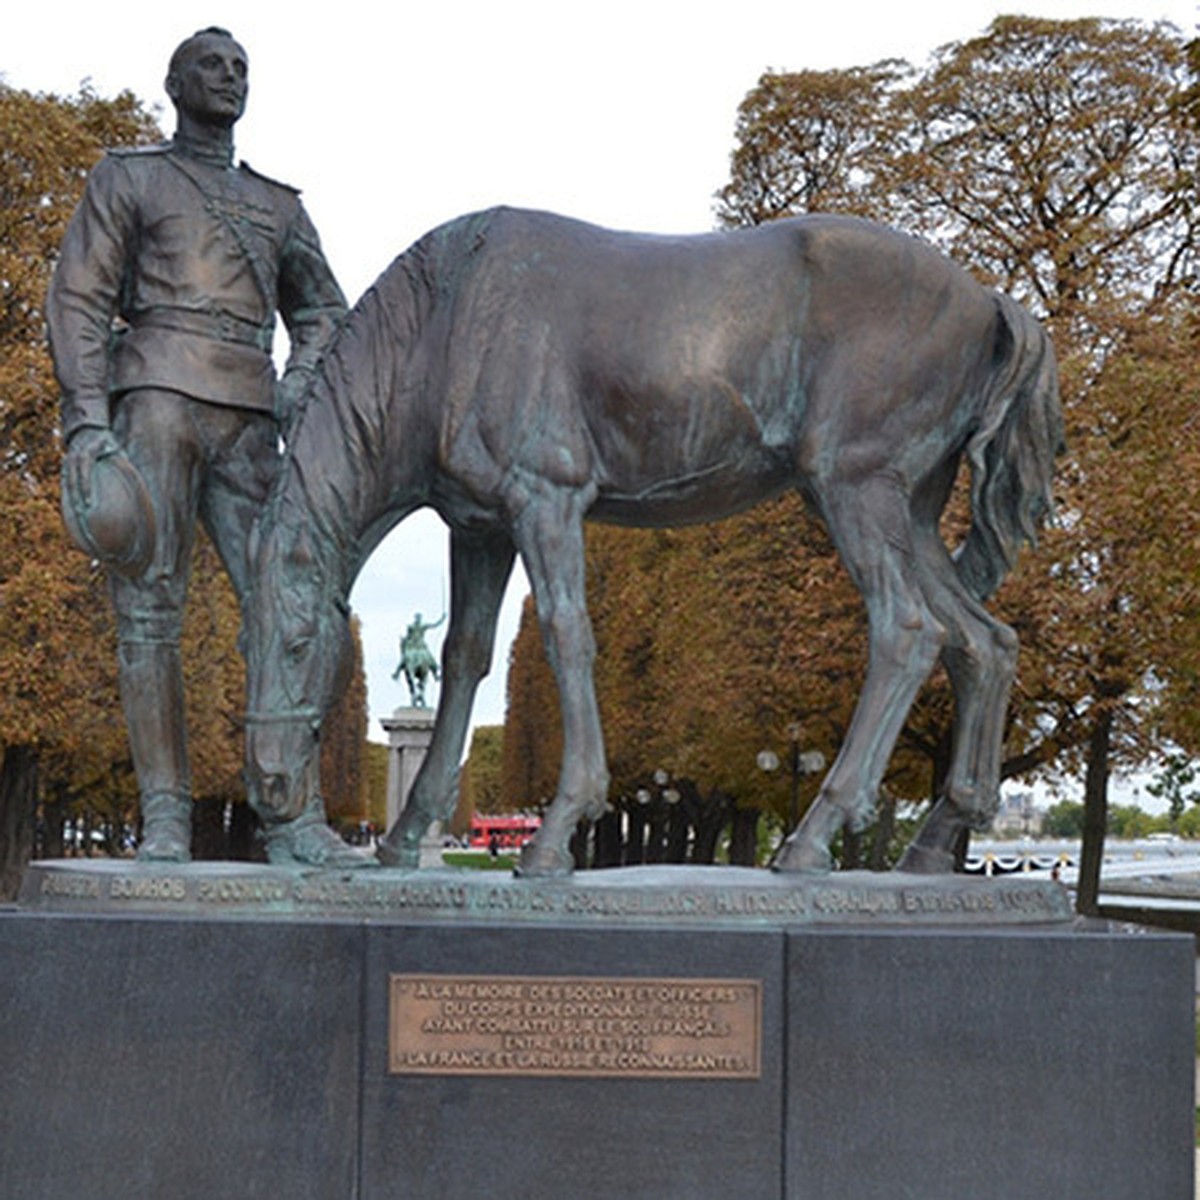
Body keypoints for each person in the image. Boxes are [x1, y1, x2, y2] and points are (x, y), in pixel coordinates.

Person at [47, 27, 356, 865]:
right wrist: (86, 418)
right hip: (153, 400)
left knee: (289, 605)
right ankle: (165, 817)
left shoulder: (279, 206)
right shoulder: (131, 176)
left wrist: (301, 384)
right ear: (175, 83)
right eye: (212, 66)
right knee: (149, 616)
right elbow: (79, 297)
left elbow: (325, 312)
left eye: (240, 69)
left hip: (251, 415)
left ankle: (294, 817)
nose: (230, 78)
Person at [391, 612, 446, 708]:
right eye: (417, 618)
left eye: (419, 618)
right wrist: (442, 619)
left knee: (416, 657)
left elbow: (434, 625)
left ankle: (397, 672)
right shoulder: (412, 627)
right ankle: (435, 673)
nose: (418, 619)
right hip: (416, 646)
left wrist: (442, 619)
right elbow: (433, 625)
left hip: (417, 646)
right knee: (424, 657)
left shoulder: (418, 626)